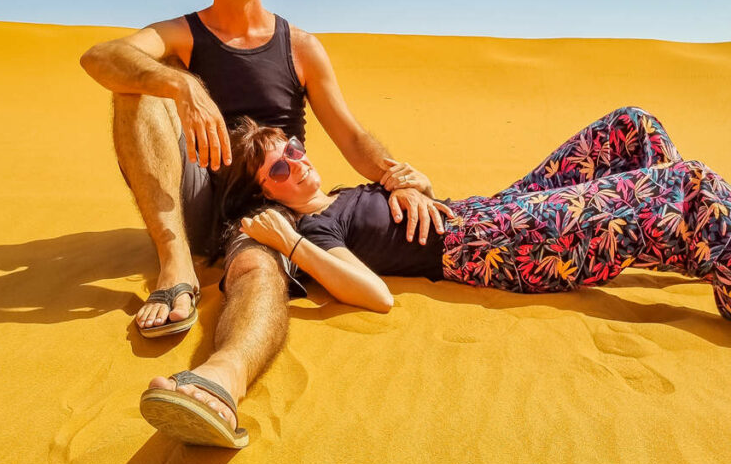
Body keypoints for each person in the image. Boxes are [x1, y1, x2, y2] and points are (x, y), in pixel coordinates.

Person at [81, 0, 440, 449]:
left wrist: (397, 176)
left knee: (257, 268)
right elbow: (98, 58)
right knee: (134, 83)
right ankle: (174, 261)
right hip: (196, 197)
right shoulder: (183, 34)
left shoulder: (299, 47)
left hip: (269, 199)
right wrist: (183, 85)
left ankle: (222, 381)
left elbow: (348, 135)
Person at [233, 105, 731, 322]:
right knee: (692, 183)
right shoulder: (318, 228)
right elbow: (377, 297)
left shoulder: (343, 192)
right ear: (270, 196)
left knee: (630, 126)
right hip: (493, 247)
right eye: (278, 169)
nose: (296, 163)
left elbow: (408, 201)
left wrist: (413, 184)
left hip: (491, 209)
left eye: (294, 149)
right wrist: (289, 242)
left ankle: (685, 236)